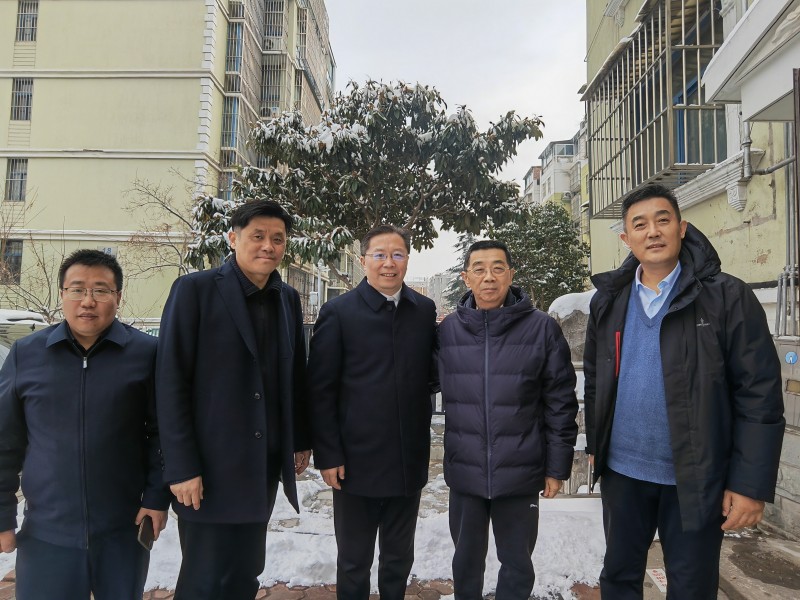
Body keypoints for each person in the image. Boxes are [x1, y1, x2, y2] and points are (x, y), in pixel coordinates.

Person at [584, 184, 785, 599]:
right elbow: (596, 378)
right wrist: (596, 444)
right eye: (640, 224)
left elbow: (759, 395)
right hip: (623, 473)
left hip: (695, 477)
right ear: (626, 238)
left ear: (682, 228)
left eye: (663, 220)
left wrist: (749, 483)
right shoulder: (609, 301)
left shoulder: (726, 297)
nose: (653, 232)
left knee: (692, 586)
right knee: (618, 578)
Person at [156, 200, 311, 600]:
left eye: (278, 238)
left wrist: (299, 439)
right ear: (233, 238)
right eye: (257, 236)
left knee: (245, 575)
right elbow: (170, 382)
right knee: (204, 580)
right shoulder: (195, 290)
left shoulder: (287, 299)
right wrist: (181, 465)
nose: (268, 246)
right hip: (208, 470)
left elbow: (294, 375)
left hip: (261, 468)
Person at [0, 249, 169, 599]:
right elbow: (5, 442)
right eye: (77, 289)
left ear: (118, 297)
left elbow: (163, 433)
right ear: (62, 294)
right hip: (46, 534)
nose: (88, 301)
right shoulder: (26, 355)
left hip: (123, 532)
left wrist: (156, 497)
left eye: (101, 290)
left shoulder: (147, 354)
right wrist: (2, 516)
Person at [437, 239, 579, 599]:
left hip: (520, 471)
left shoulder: (541, 328)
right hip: (466, 470)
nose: (489, 277)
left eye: (498, 268)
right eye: (479, 269)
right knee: (465, 561)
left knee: (517, 564)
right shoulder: (448, 331)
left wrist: (556, 466)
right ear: (466, 277)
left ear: (511, 275)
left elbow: (560, 401)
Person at [307, 224, 437, 599]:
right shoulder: (338, 312)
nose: (388, 263)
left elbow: (431, 374)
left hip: (407, 459)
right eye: (379, 255)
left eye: (397, 254)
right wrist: (328, 454)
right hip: (354, 461)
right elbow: (320, 390)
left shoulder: (423, 310)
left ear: (407, 260)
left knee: (398, 558)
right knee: (354, 561)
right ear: (364, 260)